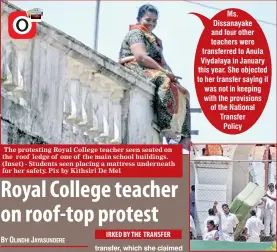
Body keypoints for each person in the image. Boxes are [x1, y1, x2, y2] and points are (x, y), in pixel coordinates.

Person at [119, 4, 191, 150]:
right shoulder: (135, 34)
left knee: (183, 91)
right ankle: (166, 126)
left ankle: (184, 137)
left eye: (154, 21)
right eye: (148, 20)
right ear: (139, 19)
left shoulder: (155, 40)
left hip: (153, 68)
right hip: (135, 66)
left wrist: (172, 75)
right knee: (163, 80)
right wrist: (165, 73)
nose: (151, 23)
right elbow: (141, 57)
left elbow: (163, 62)